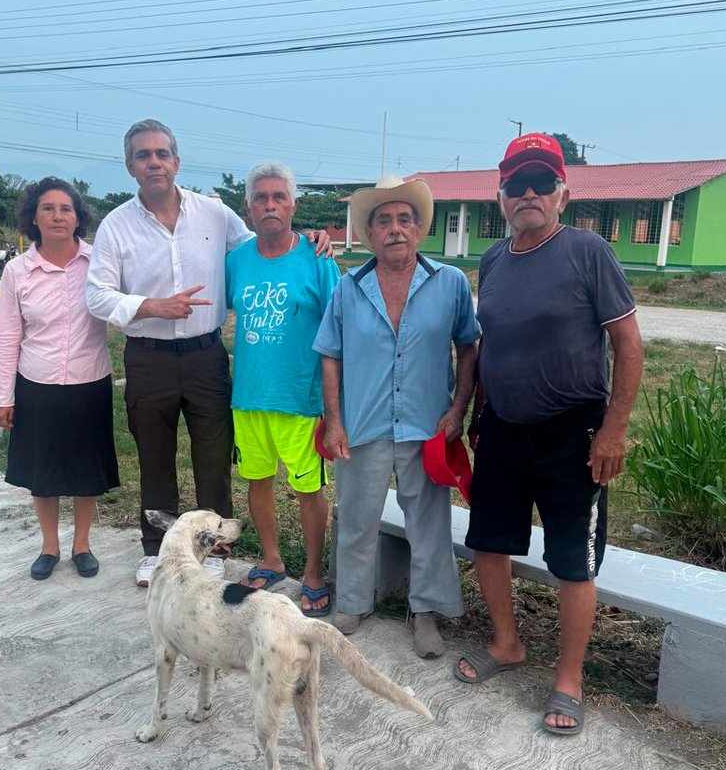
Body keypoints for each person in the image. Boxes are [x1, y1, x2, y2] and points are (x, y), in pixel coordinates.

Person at [86, 119, 334, 588]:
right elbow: (96, 295)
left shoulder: (216, 214)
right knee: (155, 455)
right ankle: (155, 548)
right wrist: (147, 306)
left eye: (162, 153)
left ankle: (214, 546)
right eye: (143, 155)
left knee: (214, 457)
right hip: (148, 354)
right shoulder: (116, 225)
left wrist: (311, 238)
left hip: (206, 355)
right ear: (130, 166)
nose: (154, 162)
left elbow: (267, 243)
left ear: (177, 162)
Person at [453, 133, 644, 736]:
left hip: (574, 433)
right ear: (501, 196)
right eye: (516, 184)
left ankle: (569, 678)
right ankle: (507, 644)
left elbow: (629, 344)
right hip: (503, 431)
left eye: (541, 183)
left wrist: (613, 429)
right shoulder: (492, 261)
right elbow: (488, 347)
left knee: (572, 562)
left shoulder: (588, 252)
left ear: (564, 192)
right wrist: (471, 411)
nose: (528, 193)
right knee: (488, 541)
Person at [314, 175, 480, 658]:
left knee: (427, 521)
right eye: (383, 220)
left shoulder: (448, 282)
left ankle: (424, 611)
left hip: (426, 424)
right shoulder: (350, 287)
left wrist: (457, 408)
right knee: (357, 518)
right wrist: (335, 420)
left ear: (419, 229)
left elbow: (468, 347)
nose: (394, 229)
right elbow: (330, 355)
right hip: (362, 423)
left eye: (404, 219)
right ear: (369, 234)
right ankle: (351, 602)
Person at [0, 178, 120, 581]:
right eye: (48, 208)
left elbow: (128, 302)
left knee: (85, 471)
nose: (58, 216)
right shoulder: (18, 271)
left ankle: (82, 545)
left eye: (66, 208)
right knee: (43, 475)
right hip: (37, 383)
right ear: (34, 217)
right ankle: (49, 546)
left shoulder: (99, 263)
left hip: (89, 381)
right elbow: (7, 334)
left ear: (78, 217)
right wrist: (2, 395)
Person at [225, 162, 341, 613]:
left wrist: (335, 405)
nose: (269, 205)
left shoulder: (317, 258)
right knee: (257, 480)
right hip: (249, 396)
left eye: (278, 197)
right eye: (260, 197)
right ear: (248, 207)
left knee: (308, 487)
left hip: (300, 398)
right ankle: (271, 559)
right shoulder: (237, 261)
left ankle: (313, 572)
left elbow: (338, 331)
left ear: (293, 204)